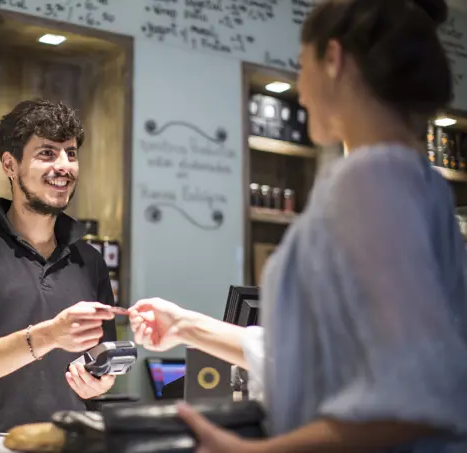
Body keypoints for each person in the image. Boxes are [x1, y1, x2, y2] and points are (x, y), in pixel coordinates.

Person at [129, 0, 467, 451]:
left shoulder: (372, 180)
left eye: (300, 65)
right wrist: (187, 326)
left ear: (333, 59)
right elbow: (327, 364)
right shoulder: (421, 183)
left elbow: (407, 400)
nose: (301, 92)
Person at [0, 99, 118, 433]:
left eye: (71, 153)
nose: (65, 166)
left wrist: (101, 382)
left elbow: (102, 363)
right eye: (47, 153)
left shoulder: (91, 261)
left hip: (73, 443)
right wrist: (49, 335)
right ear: (10, 165)